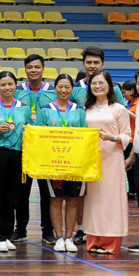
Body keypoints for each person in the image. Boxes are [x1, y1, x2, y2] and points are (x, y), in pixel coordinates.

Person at [34, 73, 89, 253]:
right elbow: (38, 137)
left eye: (67, 87)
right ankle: (58, 237)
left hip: (74, 164)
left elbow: (85, 136)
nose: (63, 90)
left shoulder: (79, 111)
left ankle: (69, 237)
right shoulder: (45, 110)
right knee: (56, 200)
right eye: (60, 86)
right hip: (53, 163)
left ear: (72, 89)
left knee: (73, 200)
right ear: (55, 88)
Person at [80, 71, 131, 255]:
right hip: (91, 159)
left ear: (110, 86)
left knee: (111, 199)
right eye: (94, 83)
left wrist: (113, 137)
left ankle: (110, 242)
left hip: (112, 158)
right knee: (94, 200)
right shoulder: (87, 108)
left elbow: (127, 135)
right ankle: (94, 240)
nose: (97, 86)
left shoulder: (118, 109)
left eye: (101, 83)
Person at [0, 70, 29, 253]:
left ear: (16, 86)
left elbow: (30, 131)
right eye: (3, 84)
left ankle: (8, 235)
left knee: (11, 196)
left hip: (17, 154)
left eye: (10, 84)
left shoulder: (24, 108)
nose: (7, 87)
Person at [21, 54, 56, 242]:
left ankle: (48, 230)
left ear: (43, 69)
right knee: (21, 192)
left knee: (47, 192)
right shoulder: (18, 90)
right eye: (29, 67)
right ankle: (20, 229)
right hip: (23, 149)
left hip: (46, 150)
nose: (33, 70)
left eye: (37, 67)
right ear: (25, 69)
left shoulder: (53, 91)